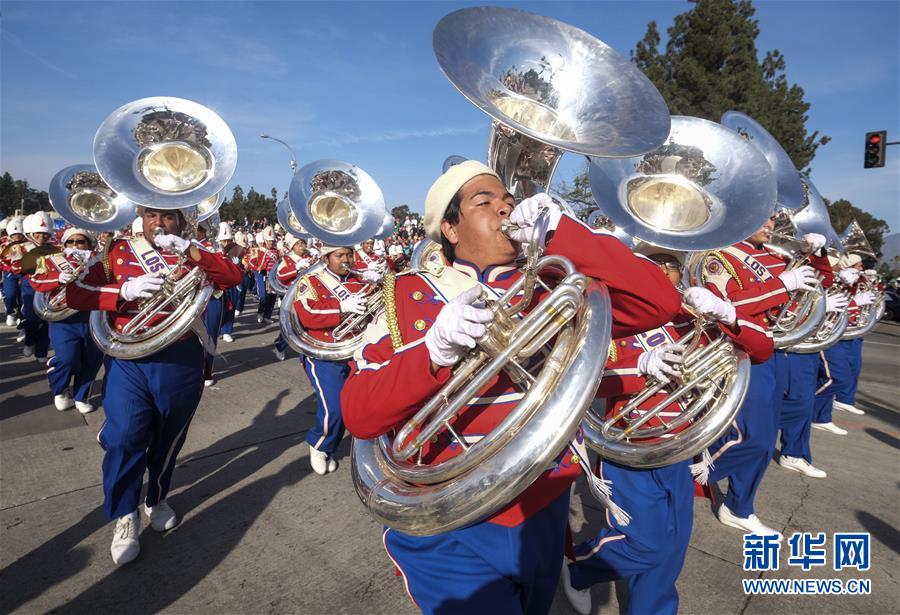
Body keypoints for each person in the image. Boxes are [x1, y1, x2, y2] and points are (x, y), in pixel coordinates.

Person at [341, 161, 680, 612]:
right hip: (449, 523)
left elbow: (659, 302)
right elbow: (360, 414)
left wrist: (562, 230)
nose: (504, 208)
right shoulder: (405, 295)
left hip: (544, 501)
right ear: (451, 228)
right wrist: (434, 351)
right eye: (484, 202)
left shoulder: (552, 286)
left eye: (508, 201)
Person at [562, 242, 773, 615]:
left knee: (672, 549)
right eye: (652, 262)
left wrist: (727, 313)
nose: (662, 270)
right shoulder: (613, 318)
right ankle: (576, 568)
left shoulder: (692, 319)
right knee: (646, 545)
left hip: (684, 448)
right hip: (632, 450)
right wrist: (640, 363)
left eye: (670, 264)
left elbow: (761, 349)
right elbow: (587, 380)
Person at [67, 206, 242, 565]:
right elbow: (76, 294)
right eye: (150, 215)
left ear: (180, 221)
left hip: (180, 358)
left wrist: (190, 250)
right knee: (125, 435)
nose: (158, 223)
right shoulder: (117, 251)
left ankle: (157, 497)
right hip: (129, 355)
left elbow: (232, 277)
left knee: (168, 438)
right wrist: (122, 289)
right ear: (140, 217)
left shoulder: (194, 253)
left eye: (167, 217)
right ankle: (125, 513)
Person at [698, 216, 823, 539]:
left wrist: (815, 256)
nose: (771, 223)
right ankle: (680, 477)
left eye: (773, 217)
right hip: (738, 350)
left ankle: (740, 506)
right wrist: (782, 285)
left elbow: (816, 285)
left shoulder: (776, 255)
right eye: (763, 216)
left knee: (766, 440)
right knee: (750, 438)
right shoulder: (718, 255)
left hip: (772, 348)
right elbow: (728, 305)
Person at [292, 245, 375, 473]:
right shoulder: (310, 281)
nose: (346, 260)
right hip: (324, 353)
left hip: (358, 349)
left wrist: (381, 281)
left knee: (370, 402)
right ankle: (320, 444)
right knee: (335, 408)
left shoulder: (360, 279)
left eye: (349, 254)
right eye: (339, 255)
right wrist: (340, 306)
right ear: (326, 257)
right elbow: (306, 314)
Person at [774, 233, 835, 479]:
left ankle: (795, 453)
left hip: (798, 338)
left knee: (803, 402)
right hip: (776, 340)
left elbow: (824, 281)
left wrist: (818, 254)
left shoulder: (796, 257)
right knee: (793, 403)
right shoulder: (767, 254)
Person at [29, 227, 103, 413]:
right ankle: (60, 389)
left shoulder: (99, 262)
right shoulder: (52, 260)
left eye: (80, 241)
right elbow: (36, 280)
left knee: (92, 360)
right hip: (63, 321)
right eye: (71, 242)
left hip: (91, 317)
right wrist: (57, 278)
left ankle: (81, 396)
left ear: (88, 244)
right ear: (64, 244)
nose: (75, 245)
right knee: (67, 359)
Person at [19, 212, 55, 362]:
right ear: (32, 233)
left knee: (47, 319)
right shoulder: (22, 248)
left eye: (45, 234)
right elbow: (15, 267)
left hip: (49, 287)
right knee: (32, 318)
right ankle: (29, 341)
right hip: (29, 285)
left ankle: (41, 350)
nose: (42, 237)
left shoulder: (55, 249)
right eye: (38, 233)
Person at [273, 235, 314, 361]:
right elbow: (280, 275)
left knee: (307, 326)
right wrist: (295, 268)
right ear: (292, 246)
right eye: (298, 244)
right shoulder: (286, 259)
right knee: (292, 327)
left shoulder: (310, 256)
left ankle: (306, 353)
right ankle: (279, 346)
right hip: (292, 297)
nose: (302, 246)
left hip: (309, 295)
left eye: (303, 243)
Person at [217, 223, 243, 343]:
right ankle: (217, 329)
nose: (226, 243)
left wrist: (238, 264)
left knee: (231, 307)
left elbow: (241, 268)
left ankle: (227, 331)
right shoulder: (215, 251)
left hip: (231, 285)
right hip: (218, 285)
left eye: (228, 240)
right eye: (224, 241)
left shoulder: (235, 251)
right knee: (218, 309)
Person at [1, 217, 25, 327]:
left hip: (23, 273)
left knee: (23, 295)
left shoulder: (28, 244)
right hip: (9, 273)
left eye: (19, 234)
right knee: (10, 294)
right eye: (14, 234)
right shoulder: (3, 244)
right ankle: (10, 312)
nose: (17, 237)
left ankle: (21, 315)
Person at [254, 227, 278, 323]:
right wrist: (258, 268)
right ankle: (260, 313)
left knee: (272, 296)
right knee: (263, 295)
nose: (270, 243)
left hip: (273, 276)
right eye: (268, 241)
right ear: (265, 240)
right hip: (263, 275)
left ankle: (267, 315)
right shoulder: (259, 250)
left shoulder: (277, 251)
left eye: (272, 241)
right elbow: (252, 262)